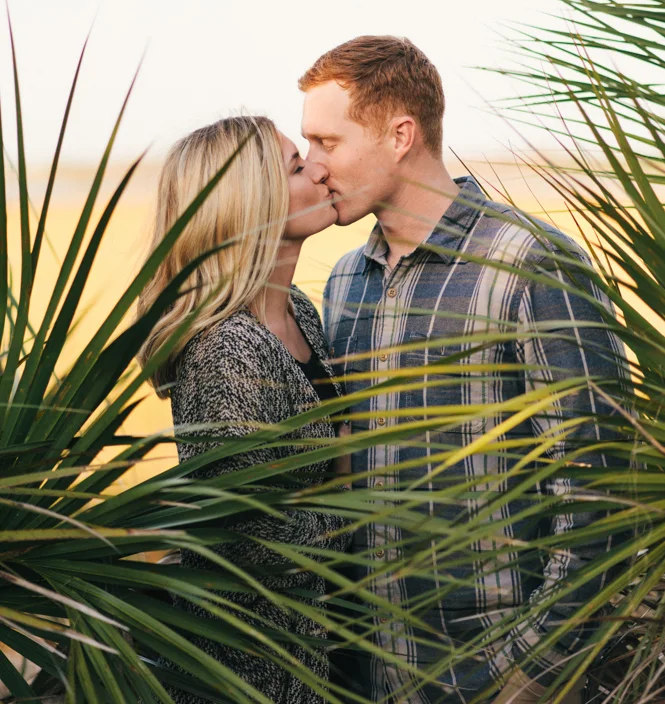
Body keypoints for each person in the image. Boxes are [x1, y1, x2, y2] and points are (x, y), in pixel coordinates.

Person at [299, 36, 628, 704]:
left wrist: (528, 675)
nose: (312, 167)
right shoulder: (345, 281)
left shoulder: (529, 263)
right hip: (369, 679)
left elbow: (598, 492)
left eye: (326, 143)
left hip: (494, 679)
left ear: (399, 135)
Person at [136, 115, 352, 704]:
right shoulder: (228, 349)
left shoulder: (300, 313)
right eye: (295, 165)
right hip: (251, 670)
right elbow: (255, 541)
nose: (320, 168)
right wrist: (373, 496)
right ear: (253, 203)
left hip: (313, 647)